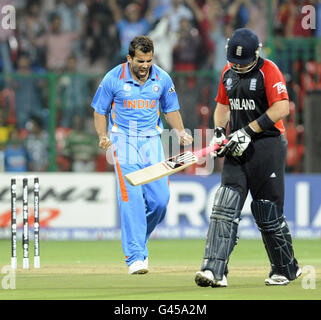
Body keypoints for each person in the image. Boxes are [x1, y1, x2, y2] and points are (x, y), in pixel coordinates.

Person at [194, 28, 301, 287]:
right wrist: (220, 133)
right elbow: (222, 106)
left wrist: (248, 131)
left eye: (243, 63)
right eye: (234, 62)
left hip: (267, 145)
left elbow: (282, 107)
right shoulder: (227, 73)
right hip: (236, 147)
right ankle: (214, 270)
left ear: (257, 53)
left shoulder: (269, 70)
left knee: (267, 211)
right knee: (225, 205)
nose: (238, 67)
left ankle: (286, 269)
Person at [91, 35, 193, 275]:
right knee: (131, 198)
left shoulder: (162, 78)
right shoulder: (113, 78)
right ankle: (135, 256)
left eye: (148, 60)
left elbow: (171, 109)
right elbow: (99, 111)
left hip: (152, 141)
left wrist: (180, 132)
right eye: (140, 61)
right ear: (129, 58)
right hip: (123, 141)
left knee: (160, 201)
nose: (145, 66)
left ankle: (137, 238)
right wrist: (102, 136)